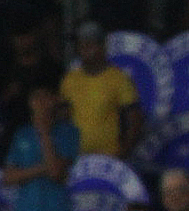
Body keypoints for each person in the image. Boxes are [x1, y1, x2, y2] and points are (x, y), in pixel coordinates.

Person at [3, 82, 79, 211]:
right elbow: (9, 176)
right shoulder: (22, 134)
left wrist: (44, 133)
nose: (41, 103)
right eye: (36, 97)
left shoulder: (68, 132)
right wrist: (41, 169)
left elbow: (56, 173)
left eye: (46, 97)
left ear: (55, 100)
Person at [61, 19, 143, 158]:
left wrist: (122, 152)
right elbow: (63, 118)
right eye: (81, 44)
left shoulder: (118, 78)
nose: (84, 49)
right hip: (77, 158)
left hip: (108, 157)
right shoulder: (69, 79)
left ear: (102, 46)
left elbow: (135, 121)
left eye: (89, 43)